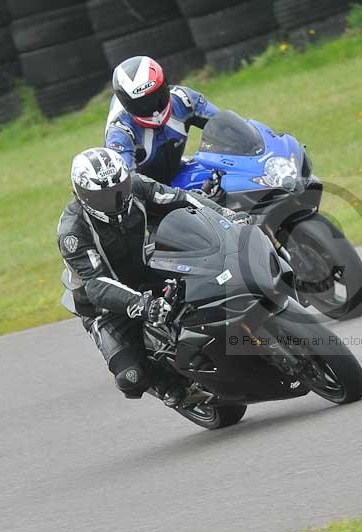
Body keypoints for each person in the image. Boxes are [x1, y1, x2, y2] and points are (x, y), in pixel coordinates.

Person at [57, 147, 248, 406]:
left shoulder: (137, 186)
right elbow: (96, 284)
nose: (116, 199)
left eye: (120, 188)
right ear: (83, 195)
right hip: (104, 306)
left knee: (211, 285)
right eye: (104, 196)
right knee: (131, 377)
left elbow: (184, 199)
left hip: (146, 267)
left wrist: (226, 217)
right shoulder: (73, 231)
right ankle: (172, 386)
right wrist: (142, 305)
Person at [105, 55, 219, 185]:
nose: (153, 106)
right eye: (143, 103)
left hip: (177, 171)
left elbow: (225, 124)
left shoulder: (184, 99)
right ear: (127, 104)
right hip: (145, 194)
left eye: (157, 95)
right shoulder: (121, 132)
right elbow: (127, 184)